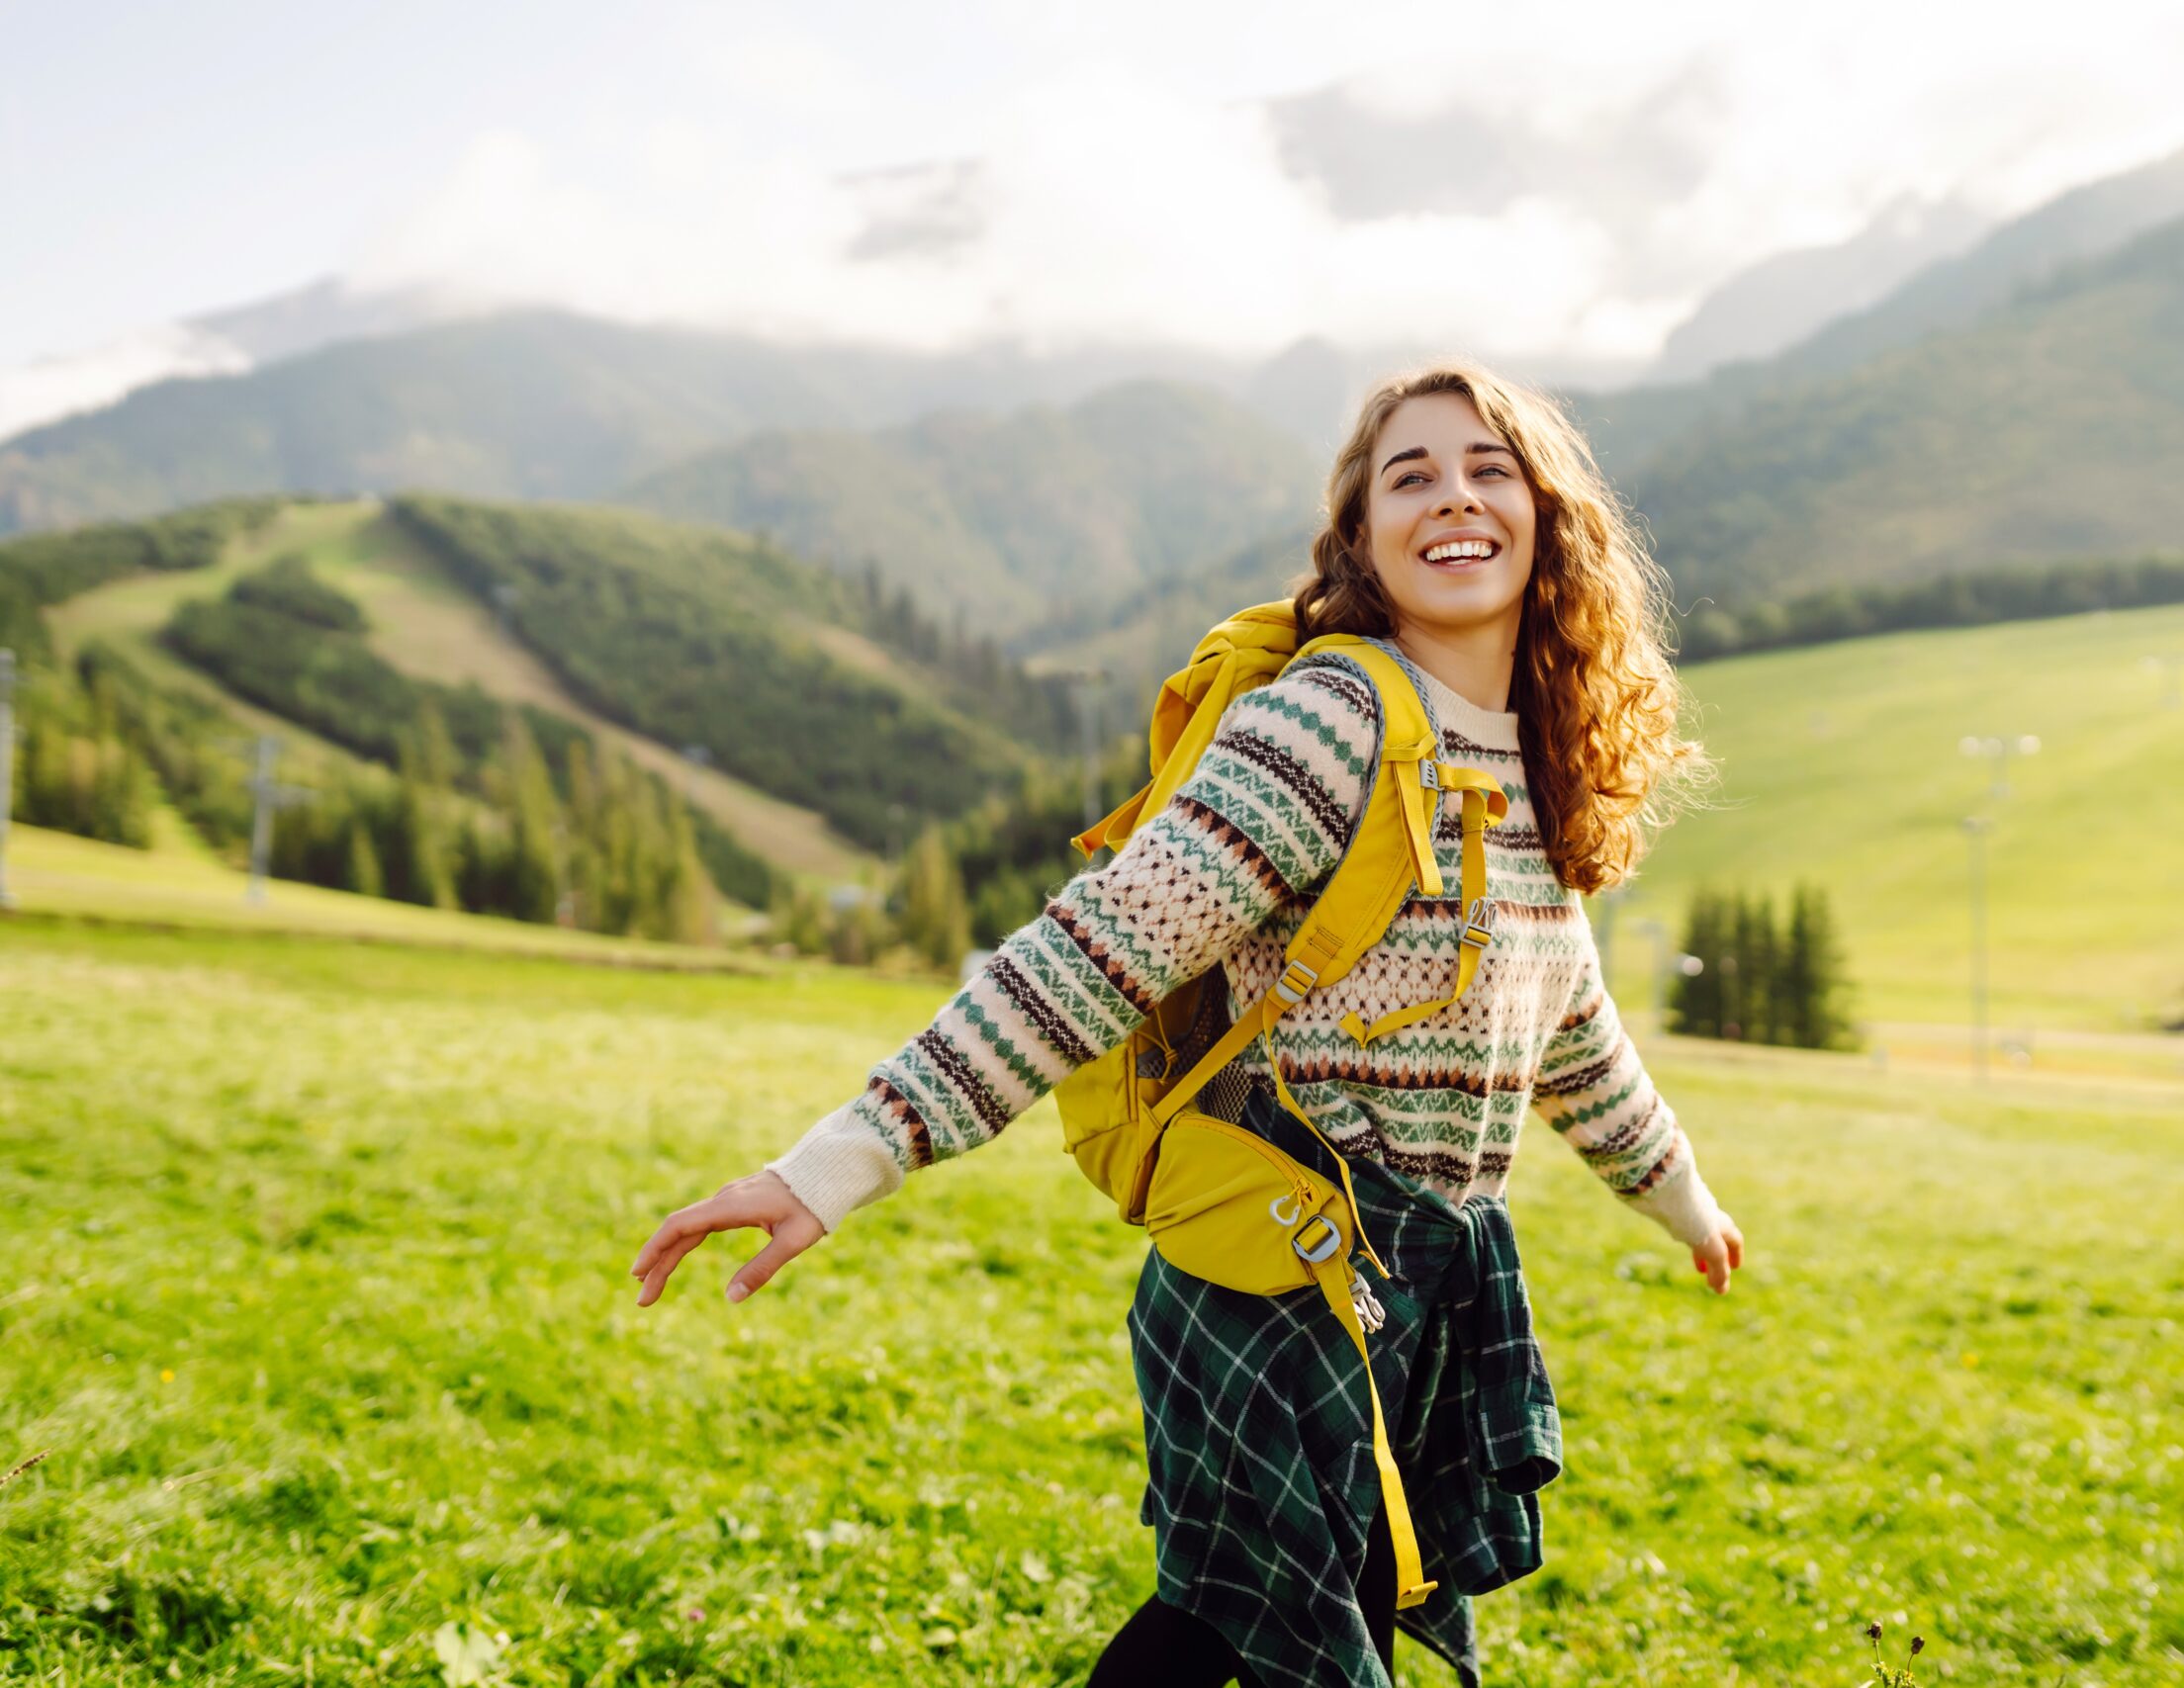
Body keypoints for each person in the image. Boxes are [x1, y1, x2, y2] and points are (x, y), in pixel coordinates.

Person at [629, 358, 1745, 1688]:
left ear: (1549, 517)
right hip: (1275, 1273)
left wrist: (1683, 1199)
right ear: (1364, 539)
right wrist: (837, 1163)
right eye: (1411, 477)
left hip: (1409, 1288)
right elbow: (1091, 957)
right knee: (1276, 1633)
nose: (1454, 497)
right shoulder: (1329, 724)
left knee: (1236, 1620)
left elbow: (1571, 1036)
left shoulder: (1529, 764)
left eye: (1488, 468)